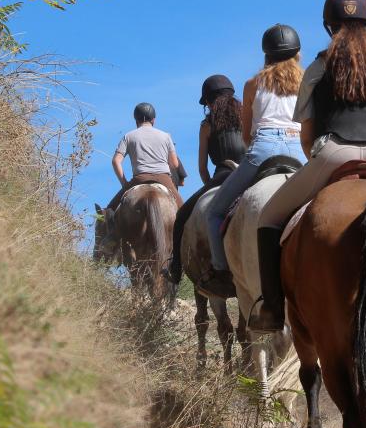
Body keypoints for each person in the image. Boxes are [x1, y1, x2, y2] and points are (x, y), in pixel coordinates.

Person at [248, 0, 366, 333]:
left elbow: (306, 136)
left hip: (333, 153)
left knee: (269, 217)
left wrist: (319, 162)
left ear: (328, 26)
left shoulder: (318, 68)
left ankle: (273, 309)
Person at [197, 24, 305, 298]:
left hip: (263, 147)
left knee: (214, 212)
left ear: (265, 54)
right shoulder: (308, 82)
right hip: (300, 149)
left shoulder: (252, 84)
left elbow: (247, 134)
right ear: (297, 53)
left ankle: (222, 273)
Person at [162, 74, 246, 285]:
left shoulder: (207, 125)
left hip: (222, 176)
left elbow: (202, 167)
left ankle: (176, 269)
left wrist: (209, 185)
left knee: (181, 216)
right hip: (249, 173)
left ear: (209, 101)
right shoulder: (246, 116)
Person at [107, 102, 183, 211]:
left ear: (136, 120)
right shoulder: (166, 136)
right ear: (153, 120)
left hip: (139, 179)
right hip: (164, 178)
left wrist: (125, 183)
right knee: (185, 213)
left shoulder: (128, 136)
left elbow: (116, 161)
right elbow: (174, 164)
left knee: (107, 213)